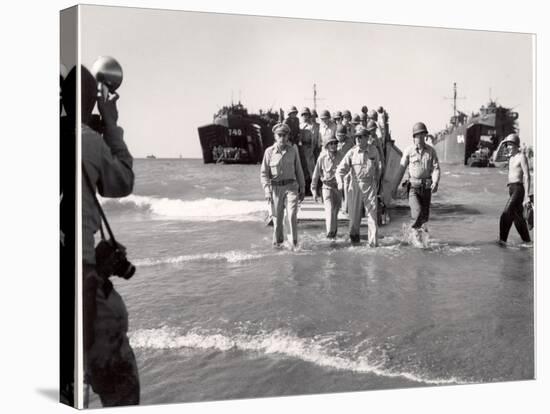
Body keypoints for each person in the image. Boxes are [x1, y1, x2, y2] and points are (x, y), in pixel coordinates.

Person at [62, 65, 140, 406]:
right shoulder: (87, 140)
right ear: (92, 101)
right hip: (81, 273)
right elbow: (122, 181)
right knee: (120, 386)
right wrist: (111, 123)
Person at [393, 122, 441, 244]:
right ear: (414, 137)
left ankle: (414, 235)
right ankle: (416, 238)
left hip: (426, 188)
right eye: (418, 135)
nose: (420, 138)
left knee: (424, 218)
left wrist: (435, 182)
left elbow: (436, 168)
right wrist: (394, 188)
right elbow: (401, 169)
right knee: (417, 213)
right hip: (413, 188)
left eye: (423, 135)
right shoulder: (409, 151)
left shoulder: (431, 151)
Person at [260, 123, 306, 247]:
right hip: (275, 189)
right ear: (275, 136)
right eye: (279, 135)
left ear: (288, 136)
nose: (282, 138)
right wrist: (266, 190)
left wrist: (302, 187)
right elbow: (264, 174)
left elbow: (299, 170)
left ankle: (293, 244)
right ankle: (278, 244)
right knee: (277, 220)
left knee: (291, 215)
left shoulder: (293, 151)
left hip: (291, 187)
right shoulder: (269, 152)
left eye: (285, 135)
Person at [337, 126, 382, 246]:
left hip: (369, 185)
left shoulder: (374, 151)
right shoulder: (352, 152)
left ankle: (373, 245)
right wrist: (341, 183)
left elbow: (378, 169)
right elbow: (340, 170)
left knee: (372, 215)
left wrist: (376, 185)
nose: (358, 139)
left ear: (367, 138)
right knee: (354, 220)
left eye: (361, 137)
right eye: (356, 137)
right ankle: (354, 243)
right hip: (355, 185)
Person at [498, 133, 532, 245]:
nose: (508, 147)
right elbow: (496, 159)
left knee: (505, 214)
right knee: (518, 219)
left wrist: (527, 196)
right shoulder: (510, 158)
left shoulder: (521, 156)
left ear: (516, 145)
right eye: (507, 145)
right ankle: (527, 242)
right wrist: (502, 143)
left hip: (518, 189)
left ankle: (502, 241)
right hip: (511, 189)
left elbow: (527, 175)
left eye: (510, 145)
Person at [311, 135, 343, 239]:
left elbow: (347, 173)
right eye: (331, 143)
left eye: (335, 143)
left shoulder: (342, 157)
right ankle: (329, 234)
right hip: (326, 188)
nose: (334, 145)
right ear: (327, 146)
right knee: (329, 211)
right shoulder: (322, 158)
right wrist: (314, 190)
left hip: (338, 189)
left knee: (335, 212)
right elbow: (315, 175)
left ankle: (334, 234)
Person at [300, 107, 319, 194]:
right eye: (303, 115)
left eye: (306, 114)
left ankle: (313, 189)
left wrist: (312, 149)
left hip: (309, 148)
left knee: (311, 168)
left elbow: (314, 139)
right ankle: (303, 189)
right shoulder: (300, 125)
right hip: (301, 149)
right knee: (302, 169)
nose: (305, 116)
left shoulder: (312, 126)